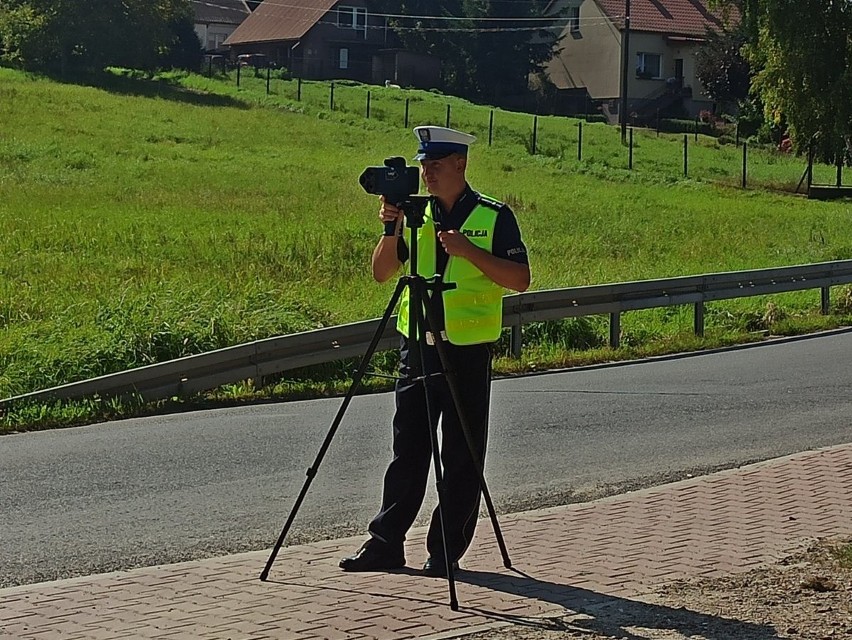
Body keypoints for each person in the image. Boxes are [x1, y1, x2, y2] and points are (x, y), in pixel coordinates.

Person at [339, 126, 531, 577]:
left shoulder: (492, 215)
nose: (427, 173)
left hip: (467, 350)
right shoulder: (416, 215)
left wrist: (467, 251)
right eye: (423, 164)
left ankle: (445, 551)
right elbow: (382, 273)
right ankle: (386, 543)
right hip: (418, 348)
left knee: (461, 454)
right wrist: (391, 229)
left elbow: (520, 279)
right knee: (408, 449)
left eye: (436, 165)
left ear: (460, 165)